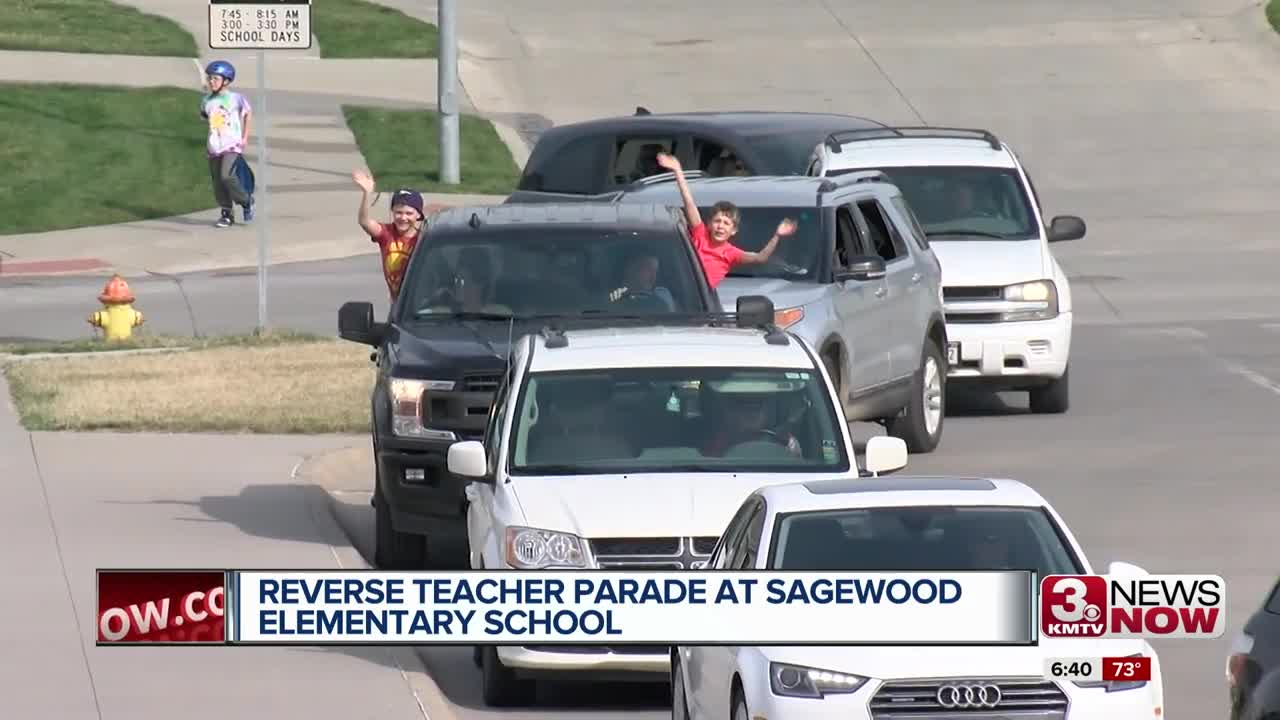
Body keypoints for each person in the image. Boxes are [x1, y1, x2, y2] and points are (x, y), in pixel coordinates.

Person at [655, 152, 796, 288]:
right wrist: (678, 170)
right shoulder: (700, 234)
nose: (720, 226)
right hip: (681, 291)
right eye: (717, 221)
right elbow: (689, 202)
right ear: (709, 224)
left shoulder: (732, 253)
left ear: (733, 231)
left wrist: (777, 235)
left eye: (726, 223)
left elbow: (760, 257)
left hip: (701, 301)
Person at [353, 169, 424, 301]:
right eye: (398, 212)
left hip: (419, 302)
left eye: (409, 213)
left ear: (418, 215)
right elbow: (364, 222)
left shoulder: (422, 240)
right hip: (397, 304)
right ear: (392, 211)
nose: (403, 217)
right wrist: (367, 194)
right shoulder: (387, 234)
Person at [200, 60, 254, 228]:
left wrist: (244, 137)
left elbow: (248, 114)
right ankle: (226, 213)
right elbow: (207, 119)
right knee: (218, 181)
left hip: (232, 144)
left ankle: (246, 200)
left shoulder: (236, 98)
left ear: (226, 80)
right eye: (209, 78)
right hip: (214, 146)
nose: (211, 82)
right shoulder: (206, 101)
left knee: (227, 175)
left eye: (215, 79)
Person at [608, 250, 675, 310]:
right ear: (630, 269)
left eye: (655, 271)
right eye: (648, 269)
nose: (653, 277)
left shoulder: (659, 305)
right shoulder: (607, 302)